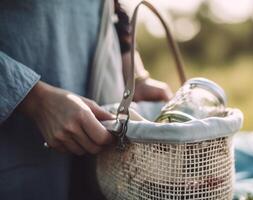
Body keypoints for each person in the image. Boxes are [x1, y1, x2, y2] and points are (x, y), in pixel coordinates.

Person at [0, 0, 171, 199]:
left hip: (100, 164)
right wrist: (34, 99)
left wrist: (136, 75)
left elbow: (113, 7)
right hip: (18, 146)